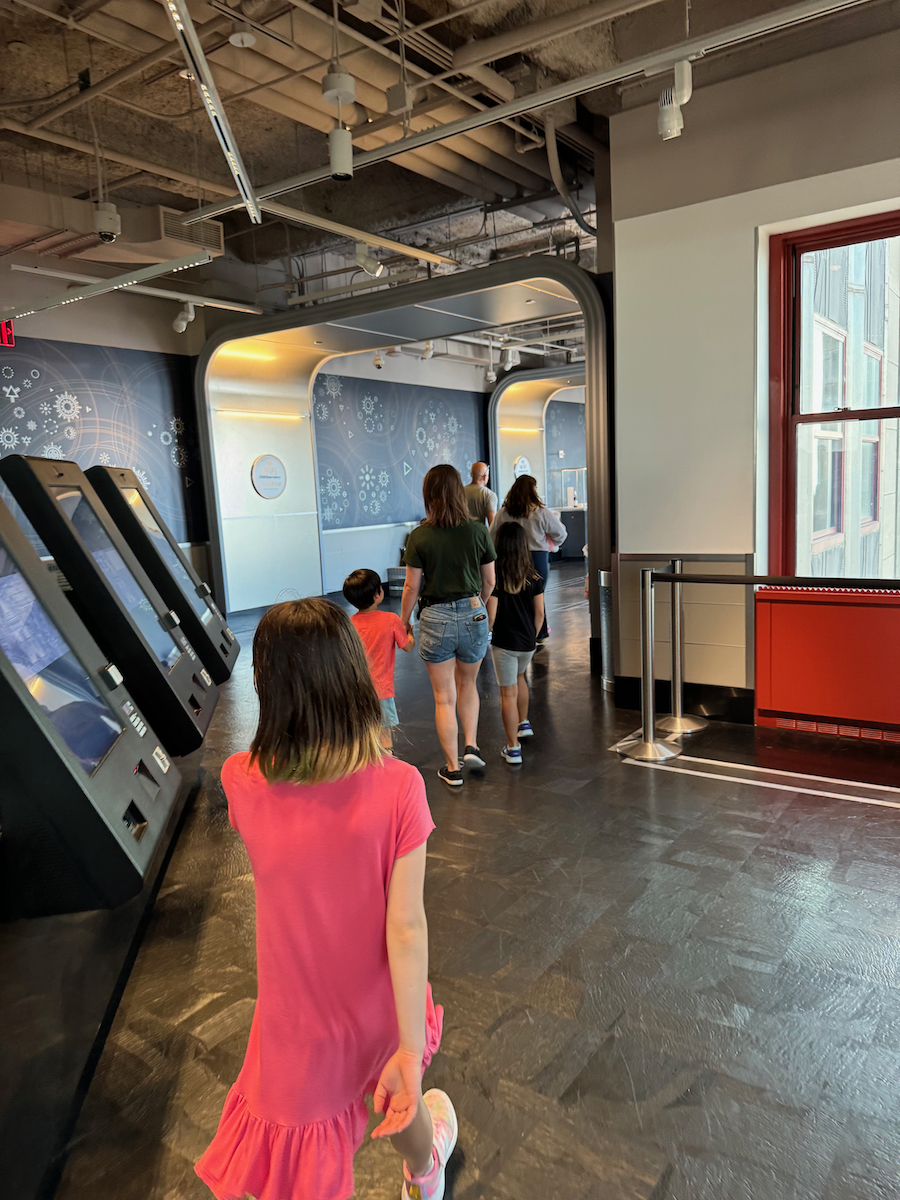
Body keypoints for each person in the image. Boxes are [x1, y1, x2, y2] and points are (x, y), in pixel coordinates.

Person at [195, 599, 456, 1200]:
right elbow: (406, 927)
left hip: (297, 1014)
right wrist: (409, 1045)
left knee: (301, 1150)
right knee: (404, 1098)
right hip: (381, 1001)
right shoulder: (401, 788)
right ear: (352, 676)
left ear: (269, 687)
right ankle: (425, 1176)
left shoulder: (241, 779)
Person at [401, 464, 496, 787]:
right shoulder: (478, 531)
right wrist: (476, 604)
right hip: (473, 613)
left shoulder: (419, 535)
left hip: (435, 616)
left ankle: (452, 768)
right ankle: (471, 745)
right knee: (468, 684)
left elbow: (411, 586)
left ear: (428, 494)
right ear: (459, 492)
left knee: (444, 697)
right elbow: (489, 580)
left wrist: (403, 621)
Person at [487, 522, 545, 765]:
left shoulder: (496, 580)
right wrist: (532, 636)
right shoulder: (534, 578)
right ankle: (523, 722)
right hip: (527, 644)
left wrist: (483, 636)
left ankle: (512, 748)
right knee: (521, 678)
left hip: (504, 644)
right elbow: (540, 613)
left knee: (507, 694)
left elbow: (491, 615)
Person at [343, 567, 414, 751]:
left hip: (356, 690)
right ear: (377, 594)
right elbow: (408, 646)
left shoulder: (349, 624)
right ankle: (387, 762)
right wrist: (410, 634)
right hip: (382, 690)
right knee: (384, 737)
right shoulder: (391, 619)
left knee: (362, 734)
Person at [490, 475, 567, 645]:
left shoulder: (504, 512)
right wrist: (552, 545)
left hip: (509, 558)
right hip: (536, 557)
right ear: (533, 490)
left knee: (510, 594)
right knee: (536, 594)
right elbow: (561, 534)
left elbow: (491, 535)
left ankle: (511, 630)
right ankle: (539, 633)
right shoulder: (540, 511)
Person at [464, 461, 498, 526]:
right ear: (485, 476)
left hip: (461, 530)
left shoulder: (460, 492)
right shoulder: (489, 495)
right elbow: (492, 523)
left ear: (471, 475)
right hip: (479, 531)